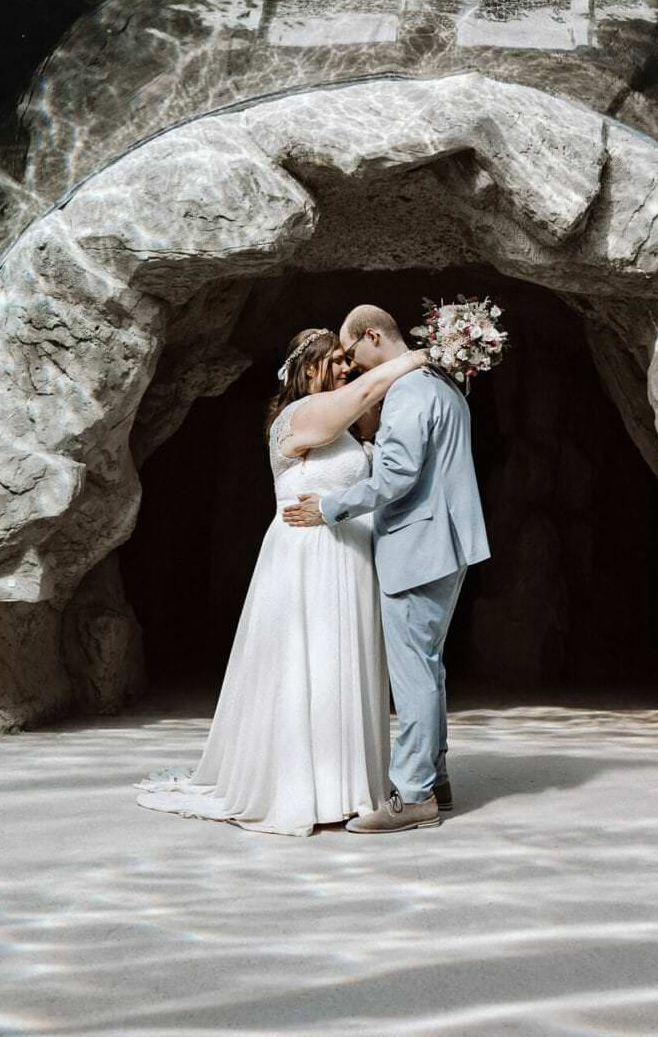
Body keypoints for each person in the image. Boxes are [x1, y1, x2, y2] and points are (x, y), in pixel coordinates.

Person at [135, 327, 429, 834]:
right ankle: (302, 787)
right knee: (309, 664)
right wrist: (421, 355)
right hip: (308, 558)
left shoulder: (345, 423)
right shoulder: (297, 417)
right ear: (307, 367)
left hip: (351, 557)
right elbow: (362, 393)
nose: (345, 368)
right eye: (335, 360)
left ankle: (346, 786)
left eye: (346, 360)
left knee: (345, 662)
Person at [282, 304, 490, 833]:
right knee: (430, 664)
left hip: (417, 546)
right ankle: (435, 778)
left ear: (372, 336)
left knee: (414, 671)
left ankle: (414, 795)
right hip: (447, 543)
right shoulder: (443, 384)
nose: (351, 365)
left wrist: (329, 508)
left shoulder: (410, 391)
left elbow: (395, 475)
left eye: (351, 352)